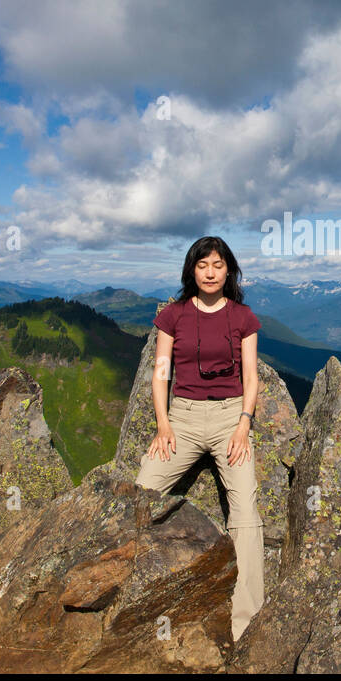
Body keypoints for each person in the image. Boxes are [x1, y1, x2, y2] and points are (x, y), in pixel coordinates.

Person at [137, 236, 264, 642]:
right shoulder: (171, 316)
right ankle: (133, 593)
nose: (210, 272)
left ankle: (245, 625)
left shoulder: (244, 318)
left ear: (229, 271)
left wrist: (244, 424)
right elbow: (161, 372)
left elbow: (251, 377)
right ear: (192, 270)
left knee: (245, 512)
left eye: (218, 265)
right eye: (203, 265)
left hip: (231, 418)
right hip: (184, 419)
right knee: (141, 493)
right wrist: (163, 424)